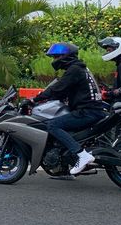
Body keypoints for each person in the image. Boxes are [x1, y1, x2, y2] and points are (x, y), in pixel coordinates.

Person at [27, 42, 107, 176]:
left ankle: (82, 155)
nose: (54, 60)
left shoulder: (74, 70)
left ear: (65, 56)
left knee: (52, 125)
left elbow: (58, 87)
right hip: (93, 109)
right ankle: (63, 168)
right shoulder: (80, 68)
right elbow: (63, 90)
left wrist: (34, 100)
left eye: (56, 57)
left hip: (87, 111)